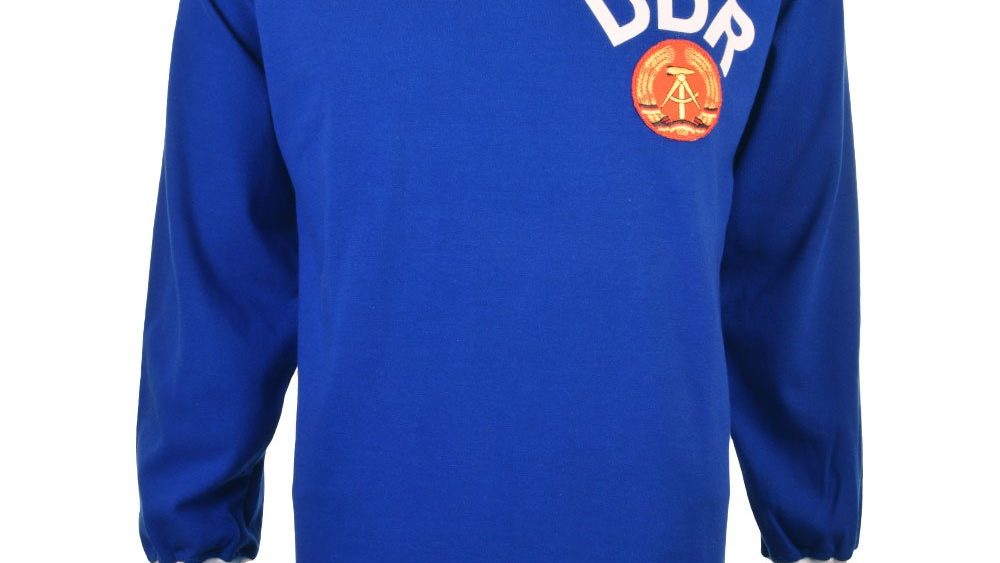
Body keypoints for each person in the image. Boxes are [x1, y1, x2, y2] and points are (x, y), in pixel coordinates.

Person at [136, 1, 862, 562]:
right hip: (374, 524)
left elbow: (790, 262)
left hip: (652, 523)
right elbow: (221, 265)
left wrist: (810, 523)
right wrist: (195, 526)